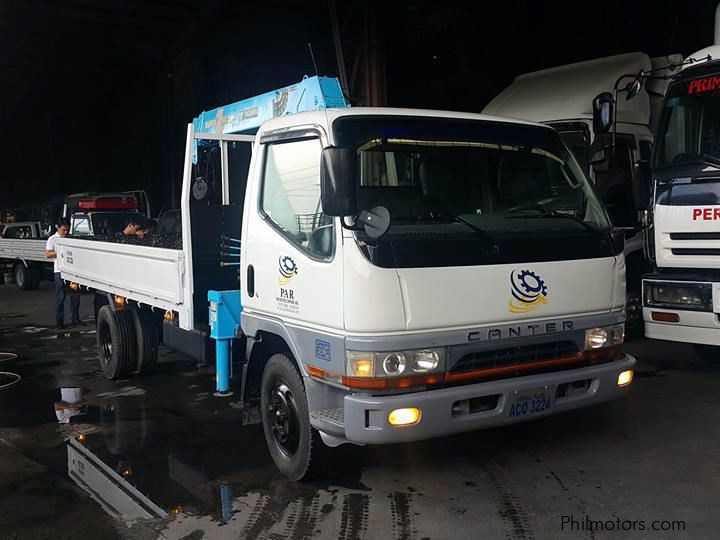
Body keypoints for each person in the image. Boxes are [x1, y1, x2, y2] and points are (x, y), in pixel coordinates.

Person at [45, 218, 83, 329]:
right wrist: (60, 252)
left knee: (75, 296)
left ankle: (75, 318)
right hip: (59, 272)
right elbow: (47, 254)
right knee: (60, 298)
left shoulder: (70, 238)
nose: (65, 232)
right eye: (63, 230)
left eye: (67, 230)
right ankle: (60, 321)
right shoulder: (52, 239)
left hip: (72, 272)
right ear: (58, 227)